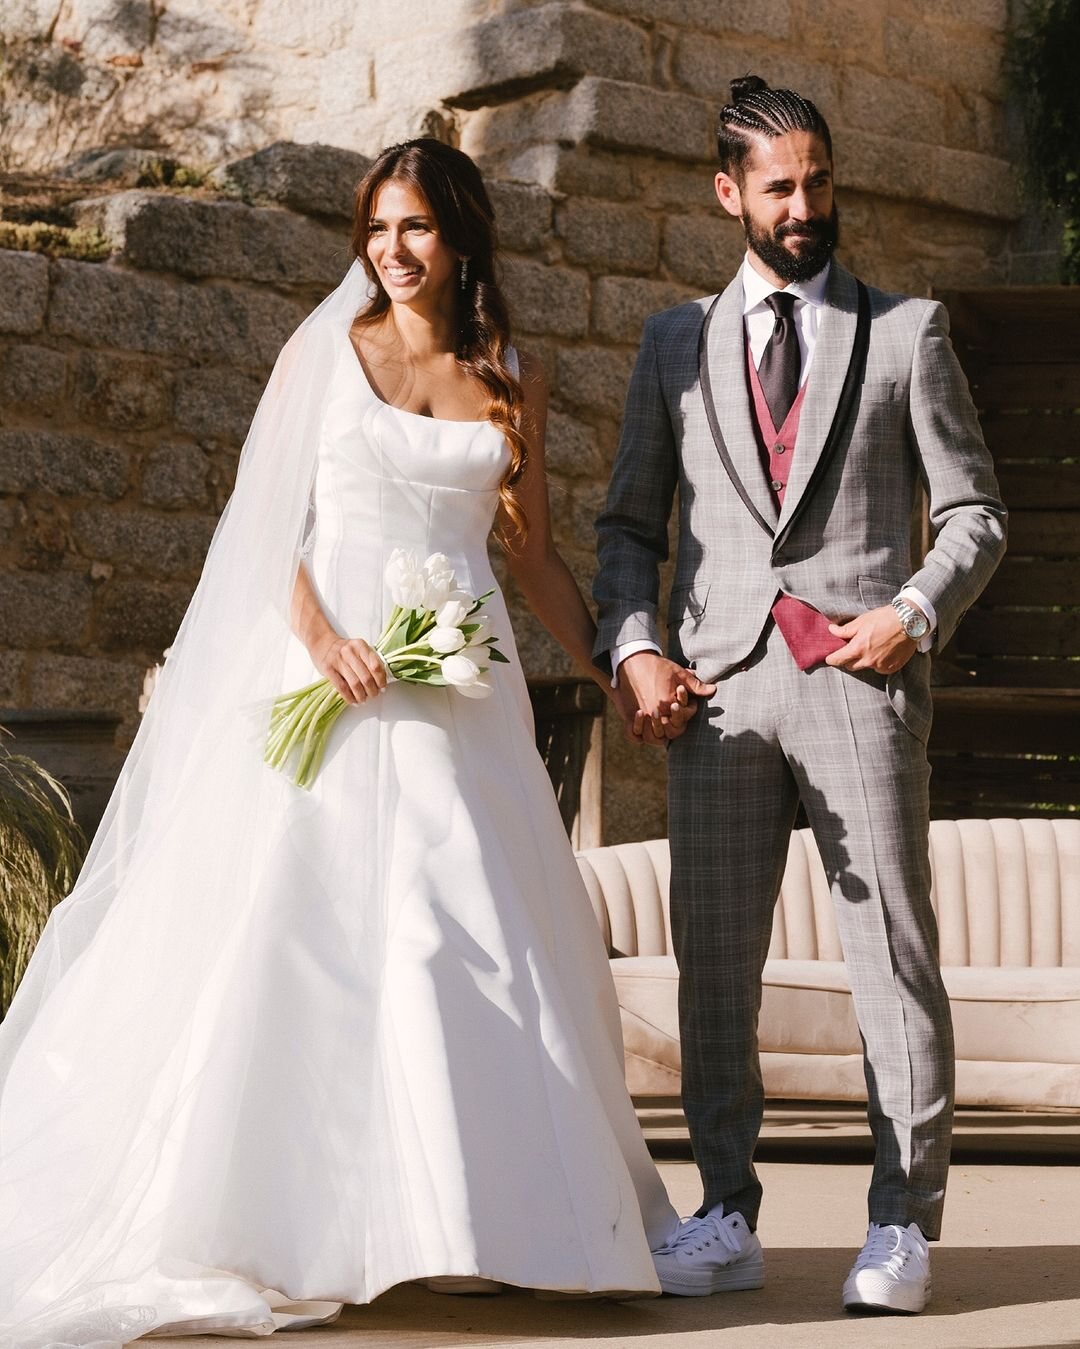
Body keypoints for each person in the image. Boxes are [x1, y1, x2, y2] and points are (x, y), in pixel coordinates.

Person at [0, 138, 679, 1348]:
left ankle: (476, 1227)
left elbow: (526, 556)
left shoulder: (510, 372)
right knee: (295, 939)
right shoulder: (326, 353)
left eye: (415, 228)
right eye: (376, 230)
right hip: (335, 675)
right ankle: (297, 1219)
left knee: (456, 936)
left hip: (459, 696)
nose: (393, 252)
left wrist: (614, 664)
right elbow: (265, 527)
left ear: (461, 236)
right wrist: (322, 641)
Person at [594, 76, 1007, 1314]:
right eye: (780, 186)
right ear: (730, 194)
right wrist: (636, 649)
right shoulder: (673, 343)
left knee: (894, 953)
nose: (805, 205)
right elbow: (625, 527)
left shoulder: (906, 330)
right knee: (715, 967)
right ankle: (725, 1209)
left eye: (819, 181)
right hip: (716, 695)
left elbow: (976, 510)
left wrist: (913, 611)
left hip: (859, 682)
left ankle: (899, 1222)